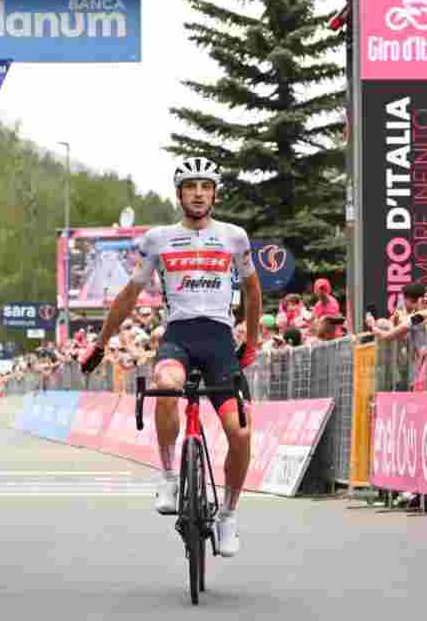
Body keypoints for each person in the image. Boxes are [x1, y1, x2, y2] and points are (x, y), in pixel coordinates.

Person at [79, 157, 261, 558]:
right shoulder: (158, 239)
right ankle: (168, 477)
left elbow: (252, 289)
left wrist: (253, 341)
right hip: (178, 337)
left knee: (241, 433)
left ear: (215, 195)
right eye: (191, 186)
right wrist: (100, 343)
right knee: (166, 386)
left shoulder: (234, 237)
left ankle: (229, 516)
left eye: (206, 186)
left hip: (219, 343)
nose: (198, 193)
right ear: (179, 195)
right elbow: (129, 295)